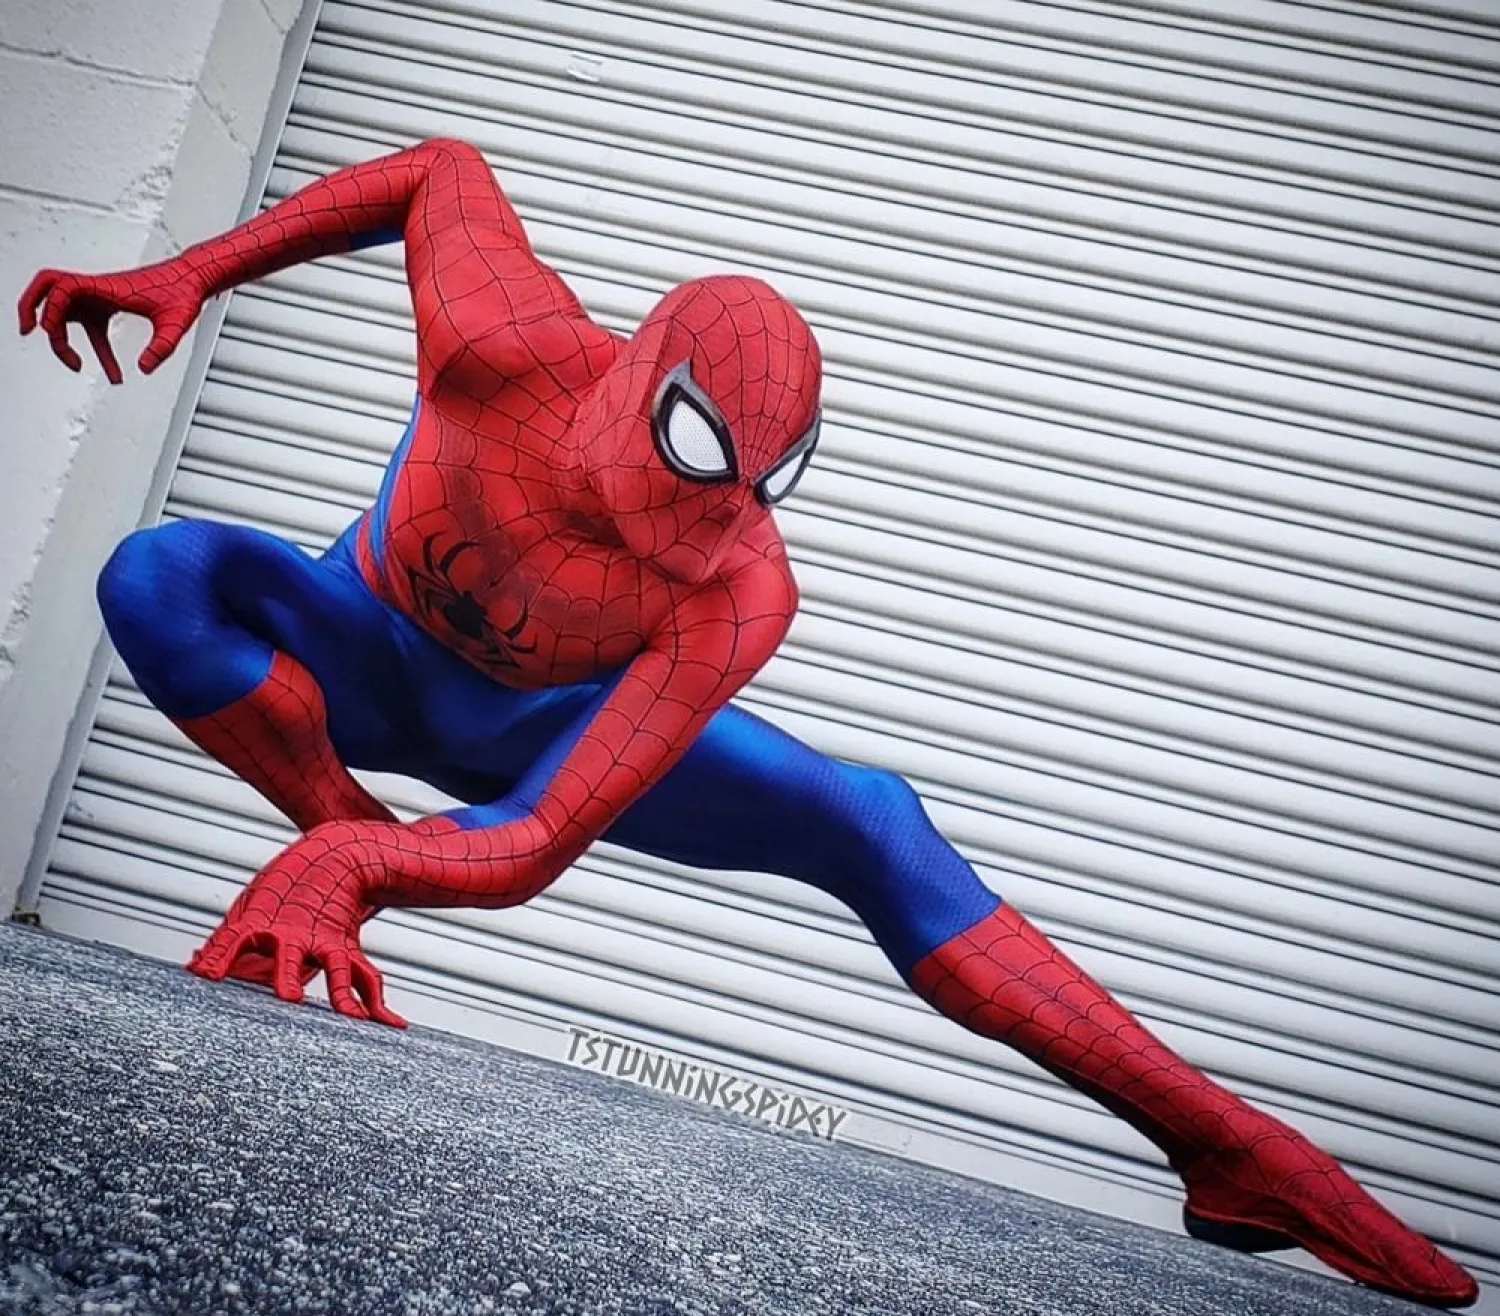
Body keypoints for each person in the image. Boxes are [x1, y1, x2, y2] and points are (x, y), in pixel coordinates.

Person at [18, 137, 1476, 1308]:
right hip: (362, 653)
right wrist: (193, 269)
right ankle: (341, 821)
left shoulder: (739, 584)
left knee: (869, 814)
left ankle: (1233, 1151)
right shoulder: (505, 341)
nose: (705, 526)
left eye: (751, 491)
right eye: (691, 461)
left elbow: (533, 837)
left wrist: (382, 875)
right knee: (160, 572)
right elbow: (433, 172)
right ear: (632, 386)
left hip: (540, 737)